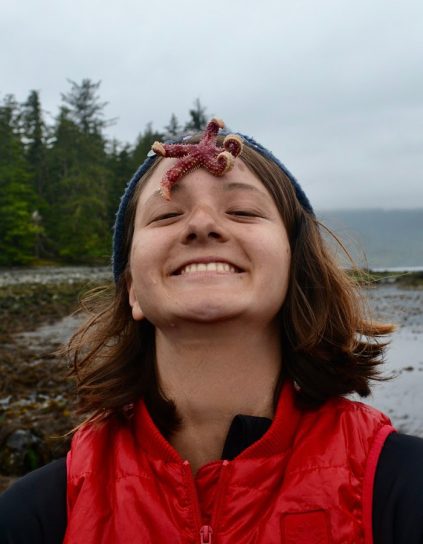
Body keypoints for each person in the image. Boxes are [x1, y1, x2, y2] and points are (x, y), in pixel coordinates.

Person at [1, 119, 422, 543]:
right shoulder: (38, 515)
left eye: (241, 211)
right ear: (132, 290)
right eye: (167, 213)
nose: (201, 225)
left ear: (296, 268)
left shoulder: (399, 489)